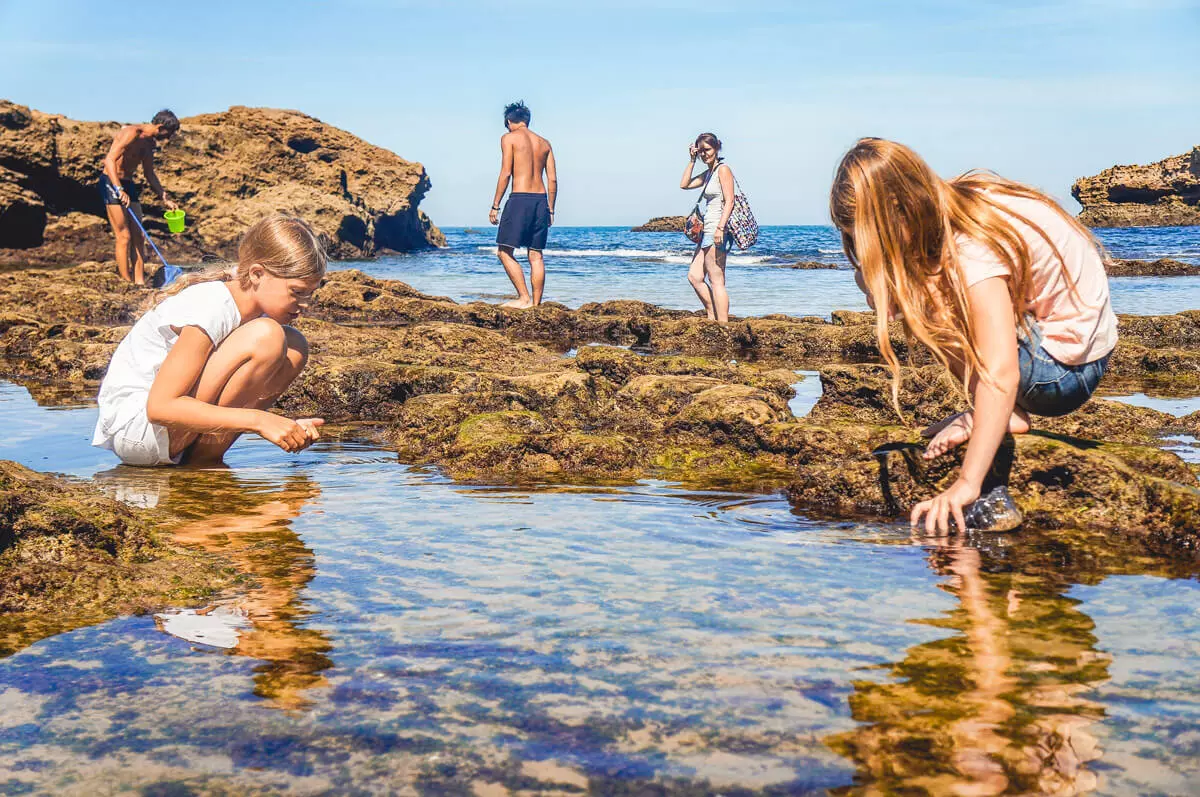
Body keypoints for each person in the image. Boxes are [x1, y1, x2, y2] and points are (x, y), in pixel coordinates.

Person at [830, 138, 1117, 533]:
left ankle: (1002, 415)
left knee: (927, 294)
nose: (871, 252)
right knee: (921, 286)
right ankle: (1000, 414)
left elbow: (1001, 375)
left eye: (873, 241)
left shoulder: (970, 249)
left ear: (903, 211)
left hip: (1063, 374)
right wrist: (871, 276)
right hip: (1073, 350)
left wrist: (967, 483)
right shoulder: (961, 203)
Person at [91, 215, 328, 467]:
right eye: (297, 292)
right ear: (257, 274)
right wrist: (259, 421)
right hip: (138, 430)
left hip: (167, 432)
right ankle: (200, 462)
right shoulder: (213, 305)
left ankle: (204, 462)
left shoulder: (256, 313)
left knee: (295, 346)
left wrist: (285, 427)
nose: (305, 304)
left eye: (310, 294)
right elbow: (159, 408)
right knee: (267, 336)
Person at [100, 109, 182, 286]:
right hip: (111, 181)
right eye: (169, 133)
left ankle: (139, 283)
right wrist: (118, 189)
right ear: (160, 127)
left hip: (128, 184)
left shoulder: (149, 144)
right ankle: (126, 283)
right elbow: (109, 160)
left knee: (139, 235)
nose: (168, 138)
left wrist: (164, 197)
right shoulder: (131, 133)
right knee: (124, 236)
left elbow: (149, 173)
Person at [489, 101, 557, 309]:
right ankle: (536, 305)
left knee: (504, 251)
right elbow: (553, 179)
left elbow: (506, 173)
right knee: (536, 255)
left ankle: (523, 298)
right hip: (541, 201)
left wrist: (495, 205)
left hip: (520, 198)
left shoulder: (509, 138)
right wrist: (551, 209)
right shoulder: (545, 143)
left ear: (510, 121)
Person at [680, 133, 736, 323]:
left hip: (717, 229)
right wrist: (692, 160)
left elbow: (730, 201)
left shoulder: (723, 170)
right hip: (706, 231)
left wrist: (720, 228)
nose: (704, 154)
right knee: (694, 276)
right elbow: (684, 185)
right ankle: (712, 315)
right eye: (700, 151)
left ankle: (724, 325)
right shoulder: (708, 173)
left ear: (717, 148)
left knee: (717, 280)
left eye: (707, 150)